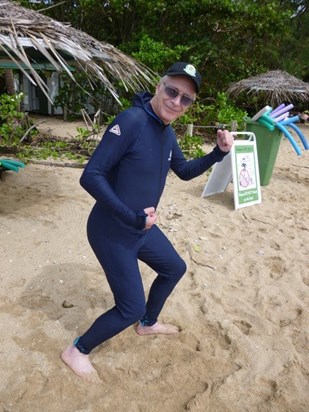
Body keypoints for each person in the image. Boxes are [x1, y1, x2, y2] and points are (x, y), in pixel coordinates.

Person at [61, 62, 234, 382]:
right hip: (111, 230)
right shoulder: (132, 121)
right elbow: (91, 176)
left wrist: (217, 154)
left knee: (174, 268)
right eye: (172, 92)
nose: (177, 102)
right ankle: (78, 350)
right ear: (159, 86)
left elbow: (182, 171)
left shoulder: (164, 131)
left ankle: (148, 323)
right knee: (129, 307)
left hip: (141, 228)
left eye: (186, 99)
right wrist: (131, 216)